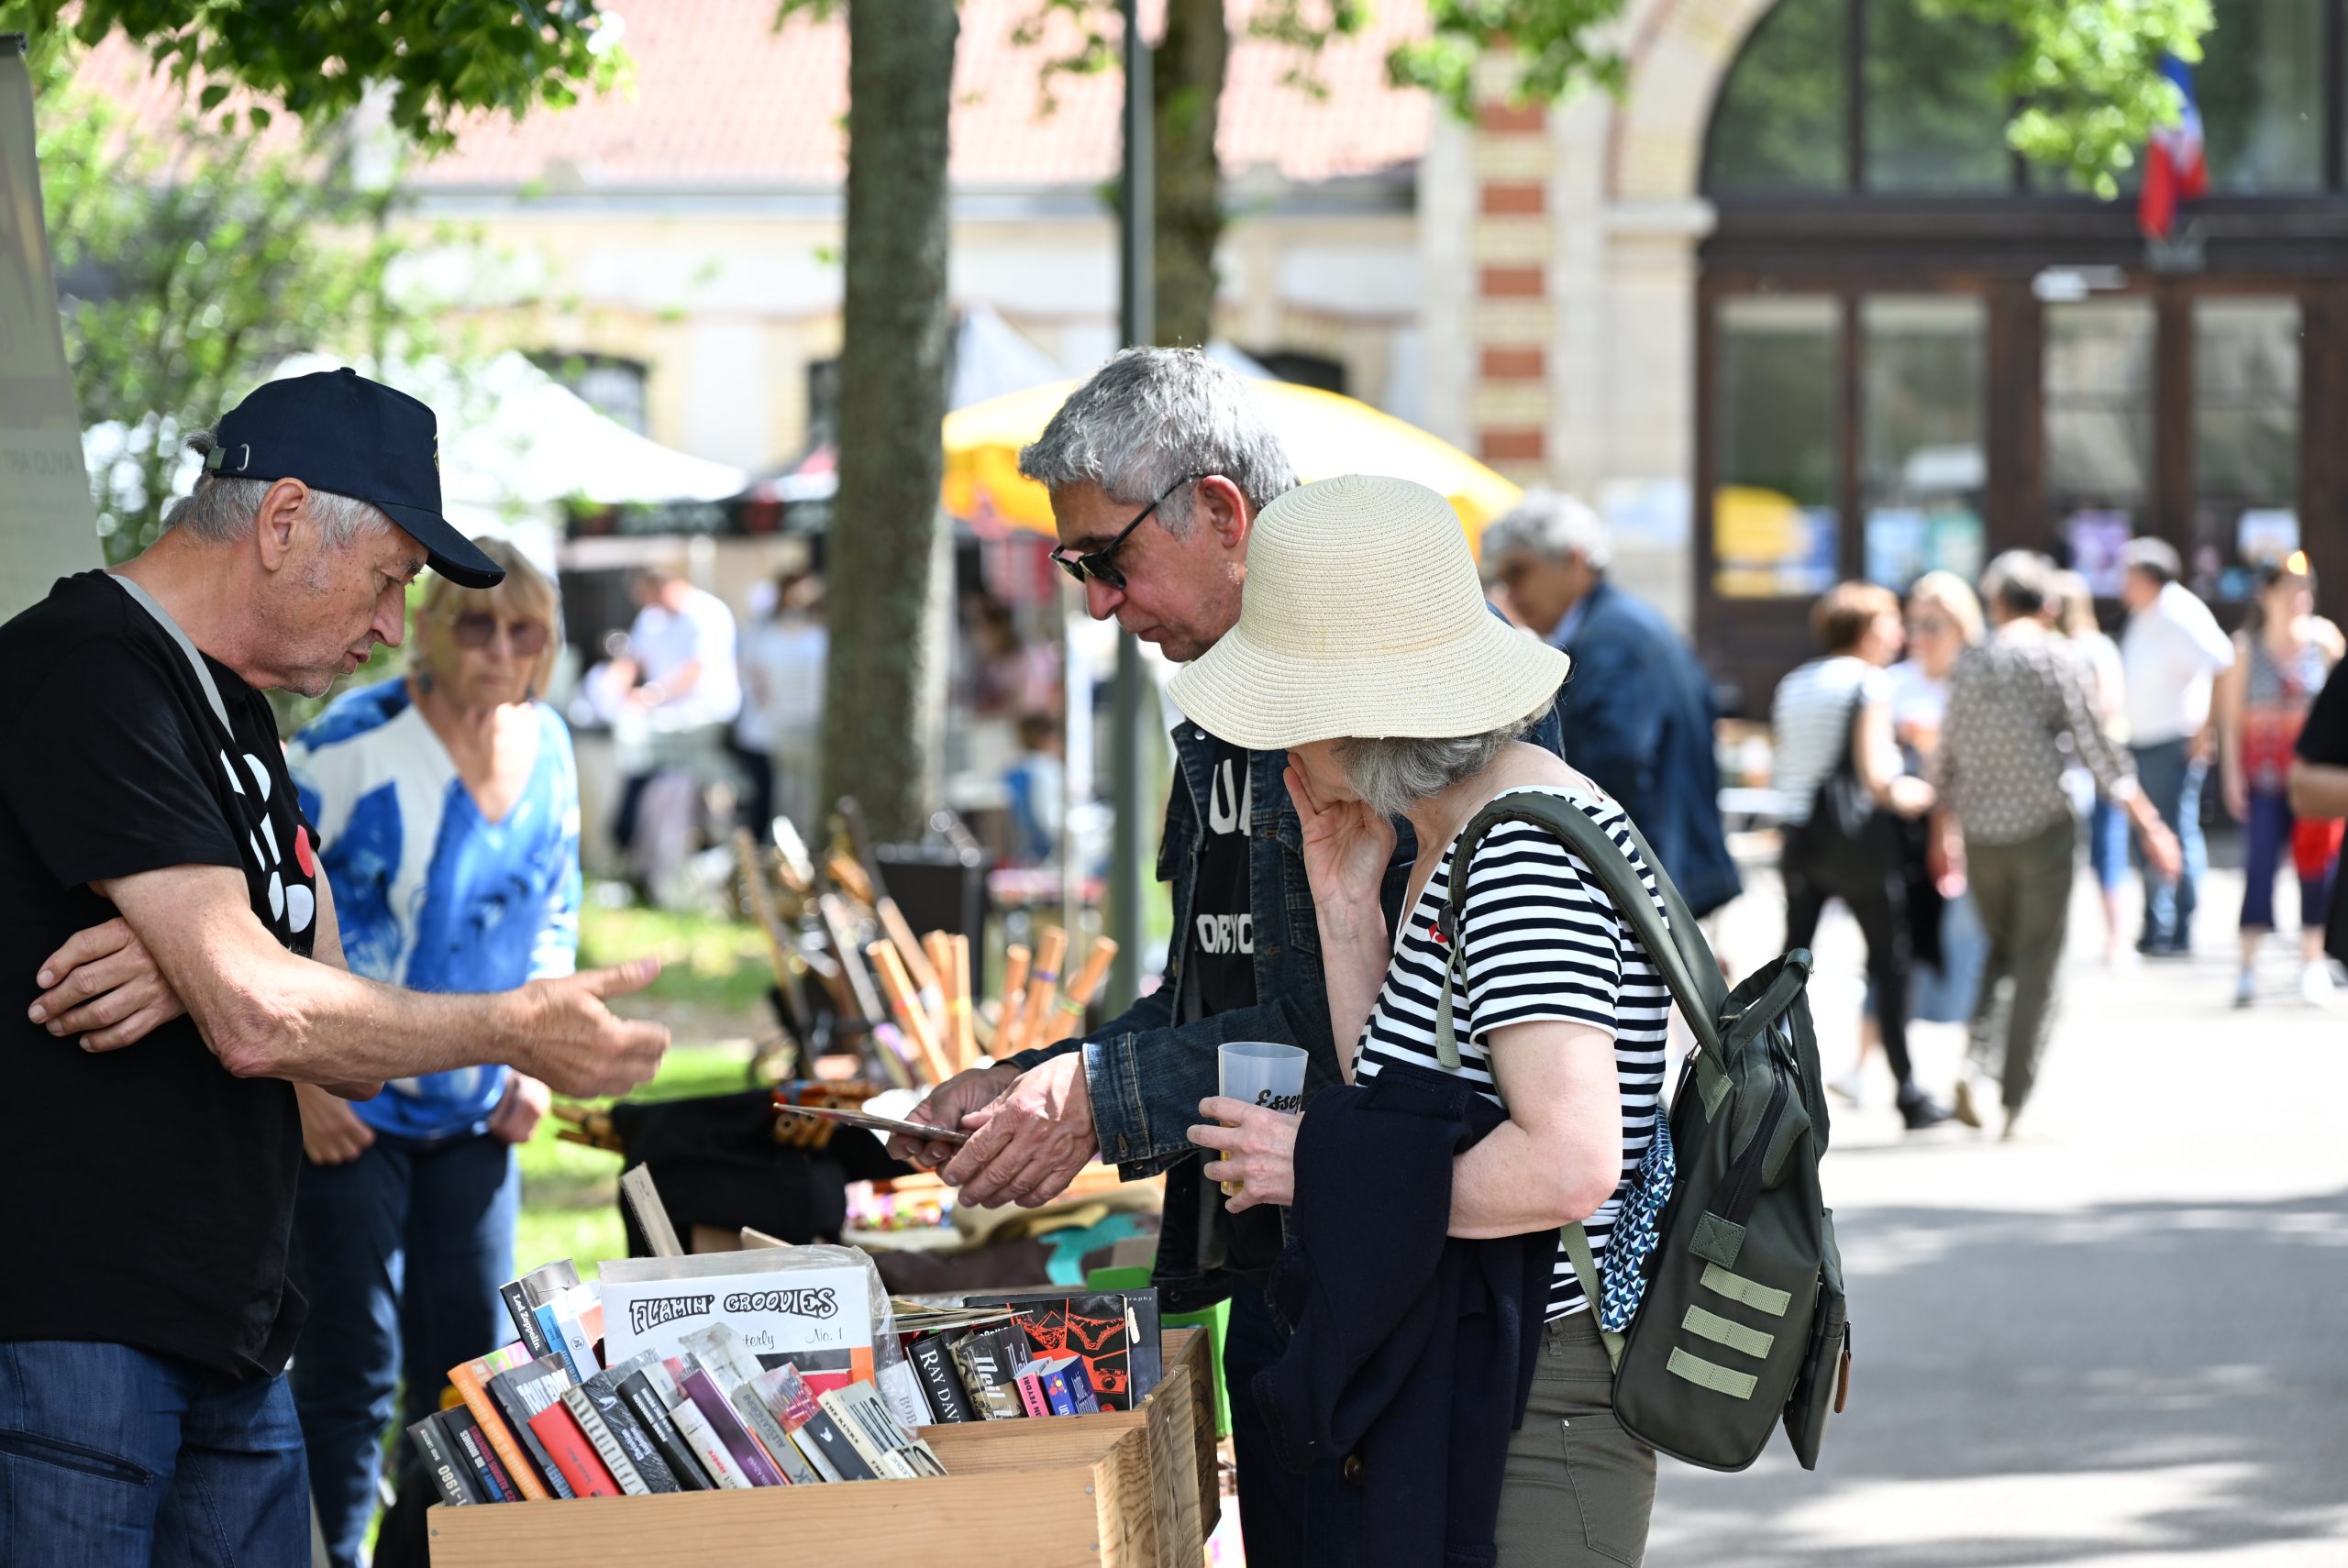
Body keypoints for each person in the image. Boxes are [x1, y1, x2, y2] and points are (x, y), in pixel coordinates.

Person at [884, 348, 1563, 1568]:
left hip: (1440, 1305)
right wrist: (1045, 1076)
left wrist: (1096, 1092)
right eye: (1072, 565)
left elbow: (1375, 1043)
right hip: (1300, 1276)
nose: (1097, 602)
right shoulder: (1221, 696)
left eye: (1106, 559)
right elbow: (1223, 987)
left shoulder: (1421, 681)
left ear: (1219, 511)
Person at [0, 369, 665, 1566]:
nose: (389, 626)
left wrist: (204, 948)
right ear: (286, 517)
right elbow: (265, 1011)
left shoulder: (240, 714)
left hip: (229, 1325)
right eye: (393, 577)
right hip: (82, 1329)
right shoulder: (88, 666)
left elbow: (304, 988)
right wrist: (512, 1025)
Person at [1171, 474, 1659, 1567]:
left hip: (1541, 1393)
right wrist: (1348, 912)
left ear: (1359, 713)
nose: (1269, 746)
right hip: (1497, 1363)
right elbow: (1414, 1103)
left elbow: (1572, 1163)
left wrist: (1320, 1169)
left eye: (1281, 708)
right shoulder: (1459, 827)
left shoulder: (1522, 851)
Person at [281, 537, 578, 1567]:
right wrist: (310, 1078)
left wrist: (533, 1065)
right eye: (476, 621)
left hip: (478, 1108)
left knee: (471, 1377)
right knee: (349, 1370)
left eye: (524, 628)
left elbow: (556, 911)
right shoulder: (347, 743)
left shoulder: (551, 747)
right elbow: (258, 911)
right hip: (349, 1106)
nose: (500, 647)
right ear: (429, 628)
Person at [1933, 552, 2180, 1139]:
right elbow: (2098, 749)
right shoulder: (2057, 655)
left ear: (1995, 604)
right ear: (2048, 606)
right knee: (2038, 961)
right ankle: (2014, 1097)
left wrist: (1944, 826)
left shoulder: (1970, 661)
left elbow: (1947, 753)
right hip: (2043, 828)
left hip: (1982, 832)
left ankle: (1975, 1063)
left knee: (1998, 951)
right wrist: (2148, 821)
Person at [1480, 491, 1742, 918]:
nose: (1510, 591)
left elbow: (1613, 765)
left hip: (1649, 879)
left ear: (1574, 560)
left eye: (1519, 571)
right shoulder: (1621, 624)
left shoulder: (1611, 638)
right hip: (1665, 870)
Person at [1769, 582, 1947, 1129]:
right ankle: (1909, 1093)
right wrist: (1922, 792)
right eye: (1893, 622)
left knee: (1791, 963)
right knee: (1888, 964)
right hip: (1859, 842)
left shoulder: (1794, 683)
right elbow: (1877, 777)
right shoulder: (1870, 683)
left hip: (1800, 836)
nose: (1900, 633)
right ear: (1868, 630)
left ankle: (1766, 1080)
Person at [1833, 571, 1988, 1105]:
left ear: (1961, 626)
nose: (1919, 634)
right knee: (1892, 950)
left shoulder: (1978, 681)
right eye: (1913, 622)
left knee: (1971, 951)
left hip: (1969, 831)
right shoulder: (1893, 683)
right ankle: (1860, 1067)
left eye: (1933, 624)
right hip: (1904, 835)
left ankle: (1972, 1070)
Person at [2213, 557, 2344, 1008]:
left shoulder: (2325, 641)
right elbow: (2230, 723)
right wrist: (2231, 778)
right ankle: (2247, 968)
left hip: (2315, 780)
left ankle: (2312, 962)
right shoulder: (2245, 649)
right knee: (2260, 868)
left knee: (2318, 870)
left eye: (2304, 589)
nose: (2299, 599)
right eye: (2289, 589)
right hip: (2264, 778)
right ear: (2267, 595)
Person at [2118, 537, 2235, 956]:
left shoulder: (2178, 610)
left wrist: (2207, 730)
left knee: (2174, 834)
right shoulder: (2146, 613)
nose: (2121, 584)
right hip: (2143, 740)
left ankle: (2180, 927)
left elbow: (2223, 661)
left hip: (2172, 742)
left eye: (2127, 574)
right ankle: (2157, 925)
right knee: (2149, 837)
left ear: (2149, 577)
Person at [608, 564, 742, 898]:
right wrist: (614, 688)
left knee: (689, 797)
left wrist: (653, 694)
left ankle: (689, 873)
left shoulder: (708, 613)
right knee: (653, 789)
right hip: (662, 728)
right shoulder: (651, 619)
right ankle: (647, 867)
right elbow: (633, 661)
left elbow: (696, 669)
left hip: (702, 725)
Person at [2048, 570, 2132, 965]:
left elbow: (2111, 702)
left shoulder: (2094, 647)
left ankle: (2117, 939)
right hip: (2060, 768)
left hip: (2096, 763)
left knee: (2107, 852)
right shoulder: (2048, 648)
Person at [736, 569, 827, 841]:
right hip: (791, 726)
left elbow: (759, 681)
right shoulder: (812, 638)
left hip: (794, 725)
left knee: (794, 796)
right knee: (796, 797)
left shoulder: (776, 637)